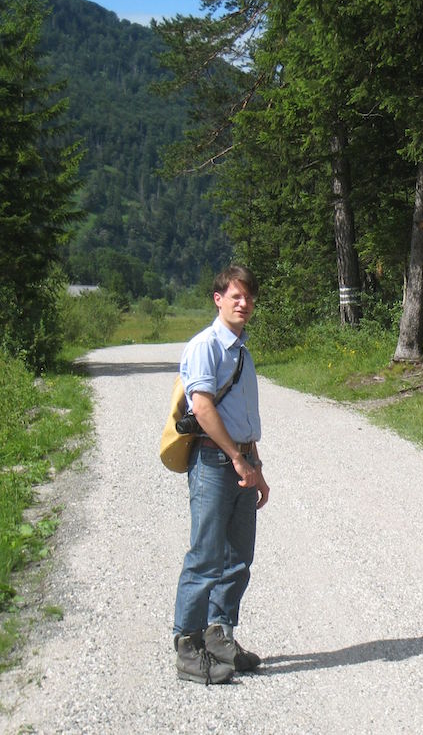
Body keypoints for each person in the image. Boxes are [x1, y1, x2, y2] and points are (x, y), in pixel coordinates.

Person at [172, 265, 270, 685]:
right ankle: (188, 646)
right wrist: (236, 457)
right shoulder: (205, 346)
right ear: (218, 299)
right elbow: (203, 407)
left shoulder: (243, 352)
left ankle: (219, 635)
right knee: (206, 556)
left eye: (248, 298)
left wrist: (256, 467)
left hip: (241, 461)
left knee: (238, 559)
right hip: (214, 463)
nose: (243, 304)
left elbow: (244, 419)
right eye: (235, 297)